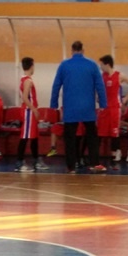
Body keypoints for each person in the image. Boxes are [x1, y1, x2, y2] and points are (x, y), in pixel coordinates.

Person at [51, 40, 107, 173]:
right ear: (83, 50)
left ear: (72, 51)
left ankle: (71, 166)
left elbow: (56, 85)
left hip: (70, 107)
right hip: (88, 107)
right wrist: (103, 103)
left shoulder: (64, 65)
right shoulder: (92, 64)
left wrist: (54, 104)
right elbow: (100, 86)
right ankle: (94, 163)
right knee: (92, 136)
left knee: (70, 138)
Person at [97, 54, 128, 163]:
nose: (100, 67)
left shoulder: (119, 75)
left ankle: (116, 153)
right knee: (100, 132)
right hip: (104, 107)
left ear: (107, 64)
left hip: (115, 108)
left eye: (101, 65)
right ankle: (95, 157)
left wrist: (127, 97)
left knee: (114, 131)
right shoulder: (102, 76)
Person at [15, 56, 49, 173]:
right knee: (25, 136)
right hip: (28, 111)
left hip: (28, 110)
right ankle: (19, 162)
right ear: (31, 66)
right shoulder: (28, 81)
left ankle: (36, 160)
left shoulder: (24, 79)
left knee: (34, 136)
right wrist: (34, 109)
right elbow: (25, 97)